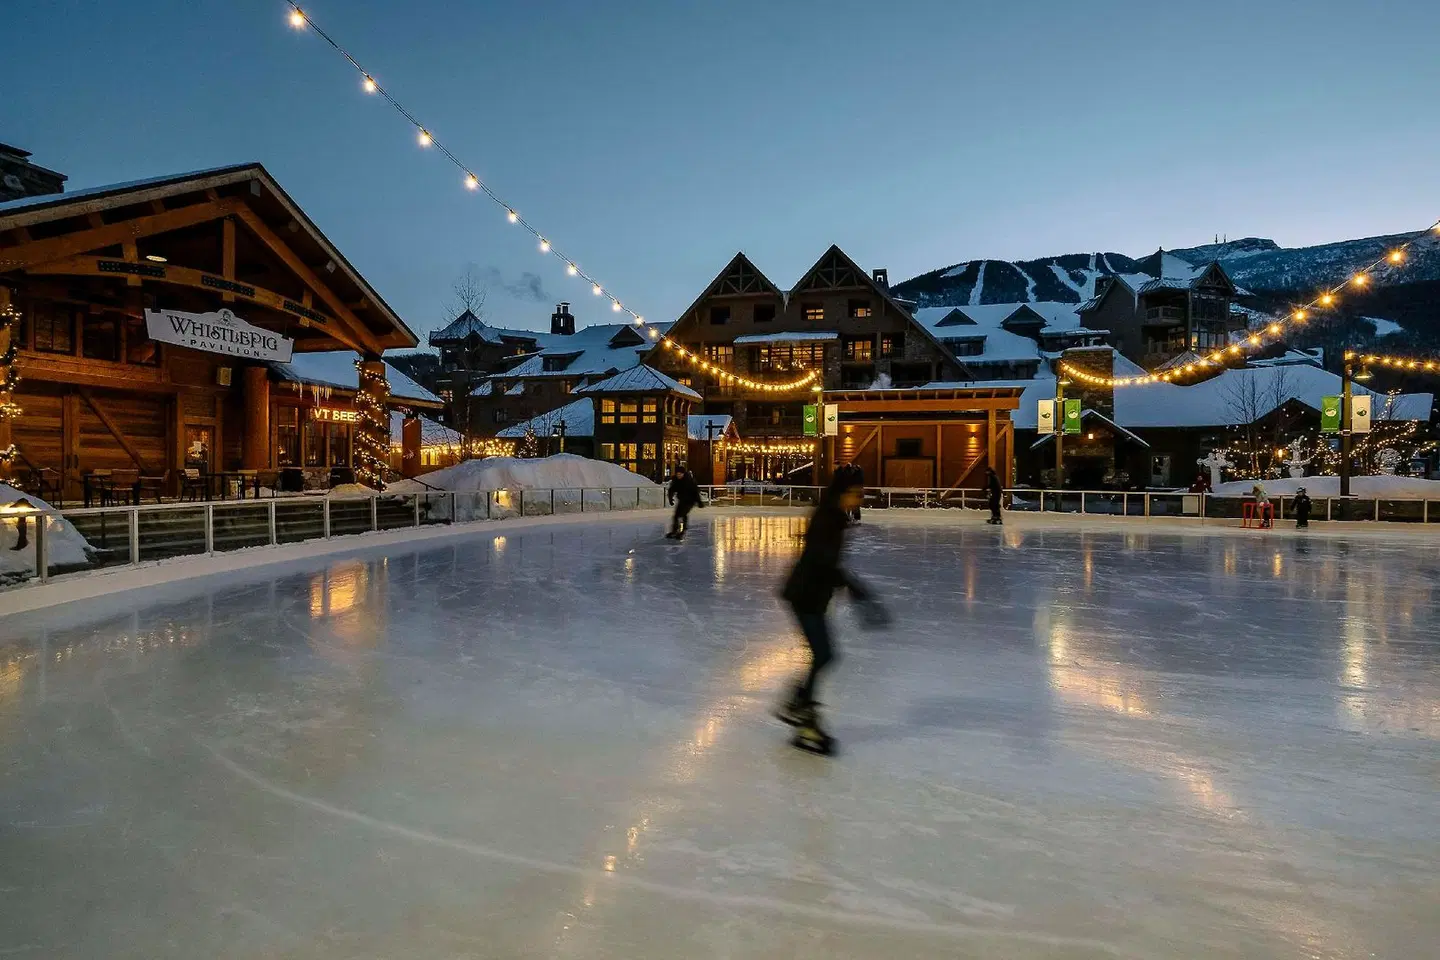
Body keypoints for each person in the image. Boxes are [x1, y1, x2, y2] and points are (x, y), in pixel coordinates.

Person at [776, 473, 883, 755]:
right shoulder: (827, 519)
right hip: (805, 595)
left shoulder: (833, 517)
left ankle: (798, 704)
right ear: (842, 493)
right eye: (856, 494)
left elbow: (826, 562)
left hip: (811, 595)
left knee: (823, 654)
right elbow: (820, 560)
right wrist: (853, 587)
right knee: (823, 654)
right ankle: (804, 714)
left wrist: (849, 586)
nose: (859, 500)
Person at [666, 463, 703, 539]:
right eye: (677, 474)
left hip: (690, 501)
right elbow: (671, 490)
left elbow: (695, 491)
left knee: (683, 514)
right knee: (676, 516)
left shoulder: (689, 481)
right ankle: (674, 531)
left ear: (683, 473)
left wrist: (699, 502)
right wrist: (670, 499)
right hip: (682, 500)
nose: (678, 475)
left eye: (680, 474)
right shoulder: (676, 480)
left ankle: (682, 532)